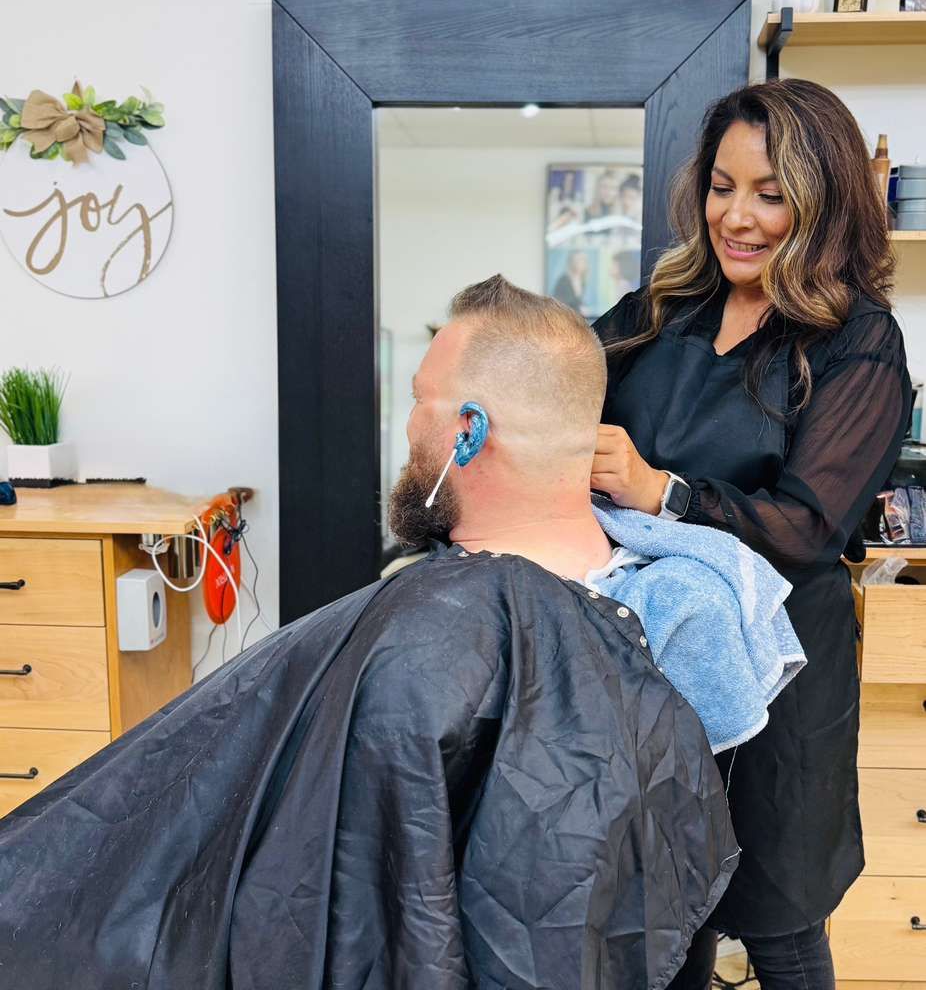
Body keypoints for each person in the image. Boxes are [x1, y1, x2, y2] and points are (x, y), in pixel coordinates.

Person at [0, 277, 738, 990]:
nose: (410, 424)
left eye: (421, 400)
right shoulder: (684, 610)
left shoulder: (419, 632)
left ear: (468, 432)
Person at [591, 79, 913, 990]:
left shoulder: (857, 343)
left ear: (823, 202)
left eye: (771, 195)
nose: (737, 216)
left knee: (778, 918)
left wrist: (662, 492)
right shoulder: (664, 310)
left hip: (782, 674)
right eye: (721, 186)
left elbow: (811, 527)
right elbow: (562, 373)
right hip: (658, 663)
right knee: (666, 913)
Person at [552, 247, 591, 315]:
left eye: (583, 260)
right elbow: (560, 304)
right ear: (572, 261)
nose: (582, 263)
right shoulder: (563, 281)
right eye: (579, 260)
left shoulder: (582, 281)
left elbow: (577, 302)